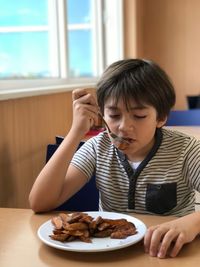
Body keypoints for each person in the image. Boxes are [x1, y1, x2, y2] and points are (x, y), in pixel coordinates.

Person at [29, 58, 200, 258]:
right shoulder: (98, 147)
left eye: (139, 116)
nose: (124, 127)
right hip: (109, 253)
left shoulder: (187, 150)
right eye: (114, 115)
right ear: (102, 114)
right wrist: (76, 132)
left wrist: (193, 223)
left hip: (167, 253)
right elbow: (39, 202)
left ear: (161, 117)